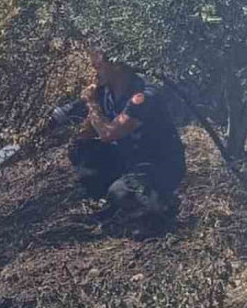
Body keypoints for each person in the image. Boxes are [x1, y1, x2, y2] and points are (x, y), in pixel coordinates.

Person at [51, 51, 186, 224]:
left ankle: (160, 204)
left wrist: (92, 104)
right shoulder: (104, 92)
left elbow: (109, 133)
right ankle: (118, 201)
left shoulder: (144, 95)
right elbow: (86, 135)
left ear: (116, 64)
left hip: (160, 165)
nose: (94, 71)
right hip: (129, 159)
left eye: (98, 66)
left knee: (120, 192)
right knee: (81, 150)